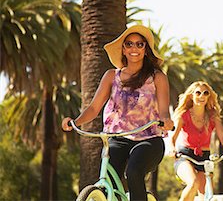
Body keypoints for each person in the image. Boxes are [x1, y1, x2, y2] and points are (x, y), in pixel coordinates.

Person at [61, 24, 174, 201]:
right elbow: (93, 108)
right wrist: (75, 121)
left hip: (149, 140)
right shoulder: (111, 76)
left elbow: (164, 111)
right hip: (117, 138)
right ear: (123, 49)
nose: (134, 48)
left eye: (139, 44)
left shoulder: (157, 77)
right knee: (109, 180)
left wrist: (166, 120)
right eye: (129, 44)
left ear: (146, 50)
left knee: (133, 172)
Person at [168, 81, 223, 201]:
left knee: (206, 196)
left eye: (205, 93)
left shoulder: (212, 117)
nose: (202, 96)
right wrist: (172, 149)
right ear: (191, 95)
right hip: (185, 156)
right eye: (198, 93)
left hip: (205, 158)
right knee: (193, 183)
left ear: (208, 96)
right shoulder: (184, 115)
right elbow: (172, 138)